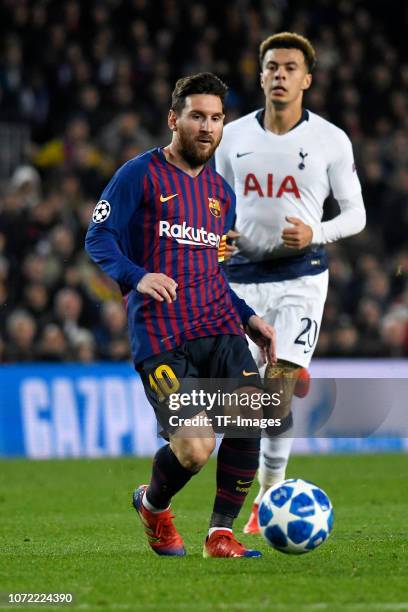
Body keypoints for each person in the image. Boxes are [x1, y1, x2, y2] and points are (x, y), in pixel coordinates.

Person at [85, 72, 280, 558]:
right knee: (195, 447)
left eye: (216, 118)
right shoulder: (139, 174)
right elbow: (98, 237)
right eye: (197, 116)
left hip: (218, 327)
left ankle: (220, 533)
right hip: (162, 336)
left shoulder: (221, 196)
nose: (207, 126)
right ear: (174, 119)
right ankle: (153, 506)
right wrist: (136, 276)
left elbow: (209, 274)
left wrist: (249, 317)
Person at [215, 33, 366, 534]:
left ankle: (267, 495)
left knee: (274, 392)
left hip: (301, 278)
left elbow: (357, 214)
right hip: (241, 281)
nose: (279, 75)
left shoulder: (330, 140)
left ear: (307, 79)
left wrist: (315, 232)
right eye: (271, 67)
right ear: (260, 77)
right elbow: (212, 199)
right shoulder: (233, 136)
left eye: (289, 68)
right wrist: (217, 234)